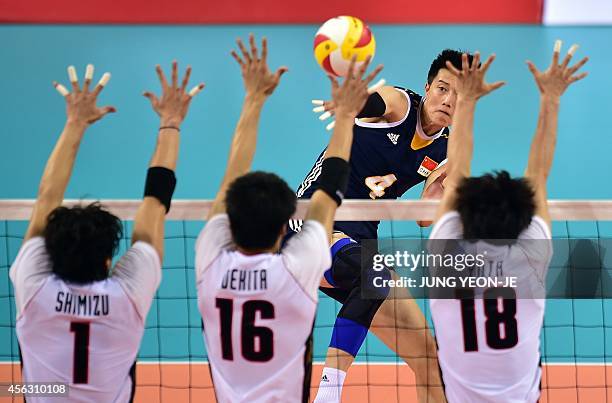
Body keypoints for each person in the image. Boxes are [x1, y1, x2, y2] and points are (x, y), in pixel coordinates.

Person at [195, 35, 382, 402]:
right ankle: (330, 393)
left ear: (230, 223)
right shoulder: (300, 268)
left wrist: (252, 99)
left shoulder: (210, 262)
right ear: (286, 227)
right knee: (372, 275)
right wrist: (346, 115)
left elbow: (232, 176)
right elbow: (332, 181)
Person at [10, 62, 203, 401]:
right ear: (108, 259)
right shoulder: (126, 296)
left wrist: (74, 124)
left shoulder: (34, 286)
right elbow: (156, 201)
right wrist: (170, 123)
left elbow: (45, 200)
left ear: (52, 253)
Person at [301, 50, 474, 403]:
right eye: (442, 88)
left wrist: (450, 180)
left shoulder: (445, 150)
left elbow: (427, 217)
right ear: (427, 87)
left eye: (459, 95)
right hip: (313, 222)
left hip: (359, 243)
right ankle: (328, 394)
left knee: (430, 358)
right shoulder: (400, 105)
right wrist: (352, 103)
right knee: (375, 276)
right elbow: (374, 103)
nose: (448, 100)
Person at [428, 42, 588, 402]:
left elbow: (456, 177)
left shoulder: (447, 255)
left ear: (464, 217)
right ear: (521, 221)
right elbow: (538, 179)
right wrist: (552, 97)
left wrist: (466, 101)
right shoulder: (530, 256)